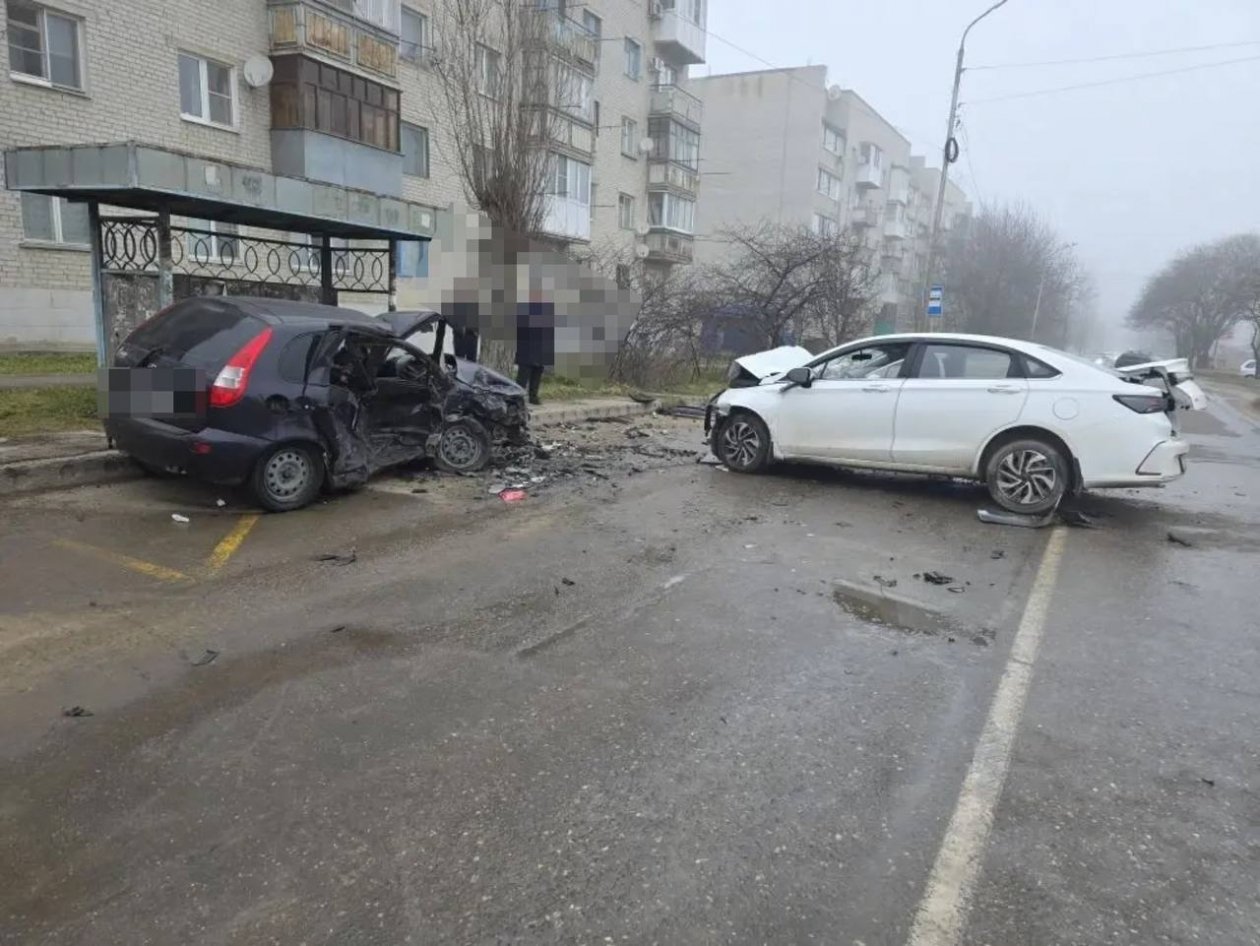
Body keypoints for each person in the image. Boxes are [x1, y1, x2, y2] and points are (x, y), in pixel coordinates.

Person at [515, 290, 555, 406]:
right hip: (527, 346)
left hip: (540, 346)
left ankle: (533, 396)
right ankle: (518, 397)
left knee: (537, 373)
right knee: (523, 375)